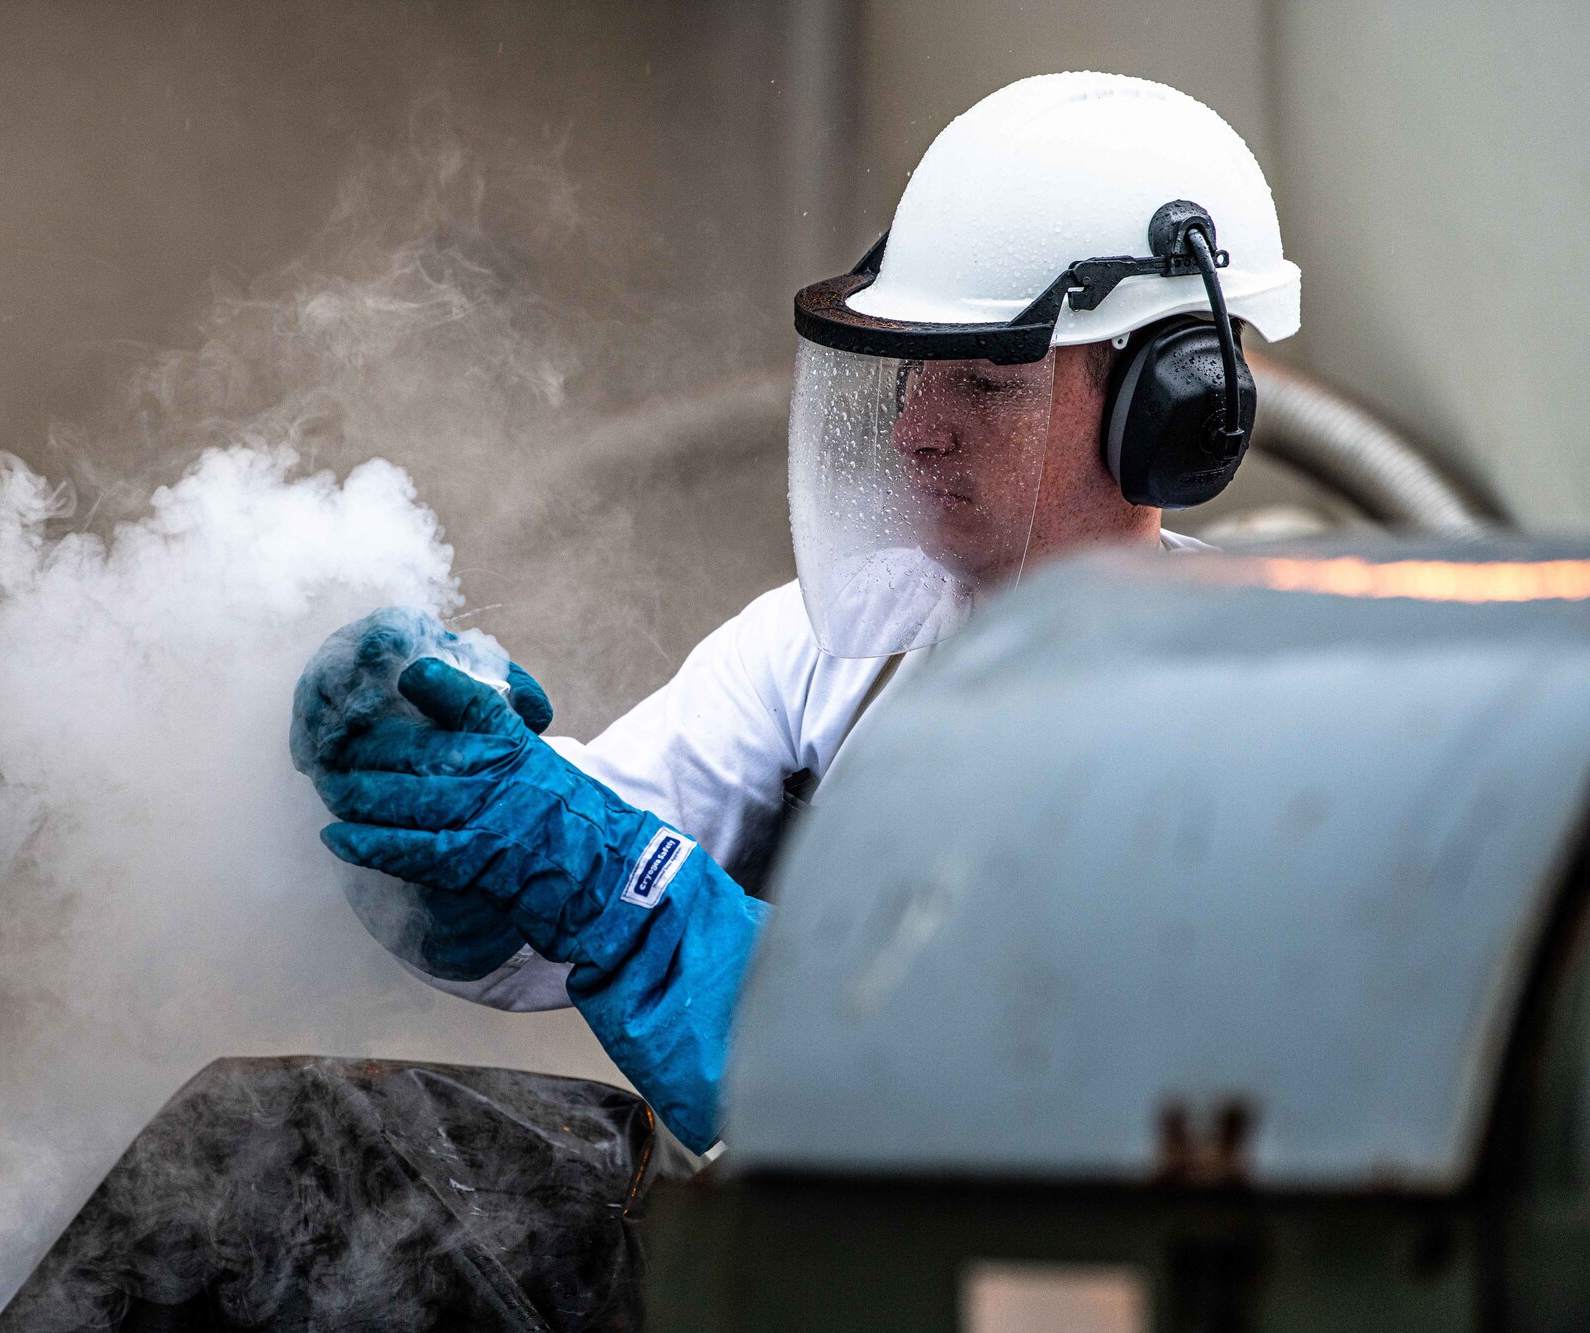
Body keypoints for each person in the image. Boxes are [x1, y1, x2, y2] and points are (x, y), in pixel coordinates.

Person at [298, 71, 1301, 1153]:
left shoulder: (1244, 722)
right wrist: (440, 808)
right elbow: (554, 901)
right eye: (914, 374)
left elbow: (957, 1101)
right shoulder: (844, 636)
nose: (916, 428)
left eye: (981, 384)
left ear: (1173, 402)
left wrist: (610, 884)